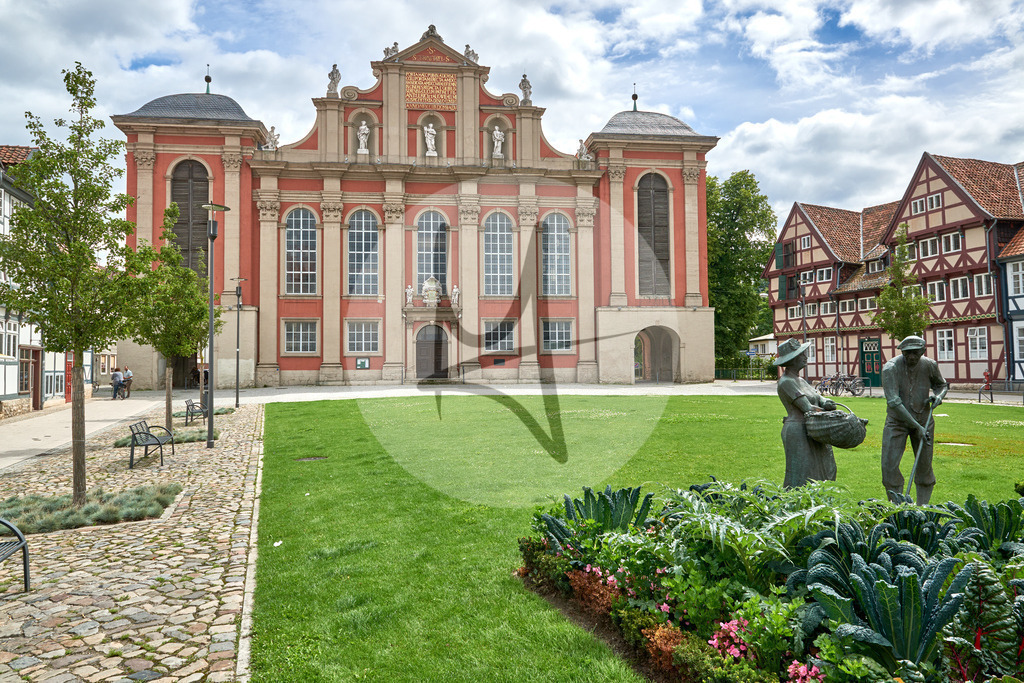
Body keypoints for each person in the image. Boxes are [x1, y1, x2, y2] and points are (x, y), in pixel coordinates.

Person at [881, 335, 948, 504]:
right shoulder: (890, 368)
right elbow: (894, 402)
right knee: (889, 467)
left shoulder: (930, 365)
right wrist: (917, 427)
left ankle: (923, 508)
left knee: (925, 467)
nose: (911, 356)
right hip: (897, 422)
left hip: (924, 420)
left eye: (915, 353)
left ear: (923, 351)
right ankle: (896, 508)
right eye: (907, 353)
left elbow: (941, 385)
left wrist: (938, 397)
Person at [773, 338, 838, 488]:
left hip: (814, 429)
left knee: (827, 467)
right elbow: (807, 408)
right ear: (792, 359)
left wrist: (825, 402)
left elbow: (818, 398)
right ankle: (795, 505)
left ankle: (818, 504)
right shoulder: (786, 382)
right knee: (802, 474)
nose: (805, 357)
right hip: (798, 431)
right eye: (801, 354)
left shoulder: (800, 380)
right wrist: (834, 415)